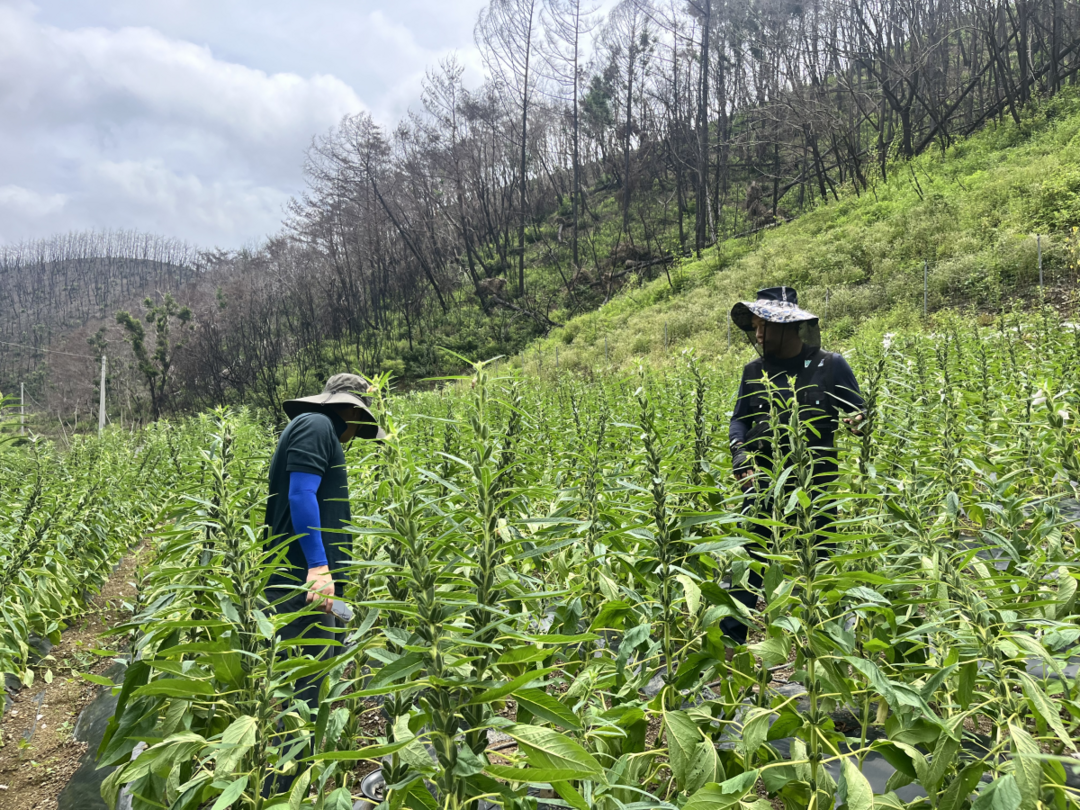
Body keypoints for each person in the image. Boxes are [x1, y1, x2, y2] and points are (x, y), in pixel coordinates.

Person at [262, 373, 384, 793]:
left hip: (312, 586)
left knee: (317, 685)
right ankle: (281, 793)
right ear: (351, 408)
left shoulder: (317, 429)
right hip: (301, 582)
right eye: (359, 426)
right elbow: (301, 494)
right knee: (305, 695)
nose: (353, 437)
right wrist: (318, 567)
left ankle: (299, 785)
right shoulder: (316, 425)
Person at [723, 287, 865, 646]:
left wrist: (860, 421)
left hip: (815, 486)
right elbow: (739, 420)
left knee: (820, 565)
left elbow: (860, 415)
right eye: (754, 326)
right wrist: (740, 454)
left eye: (763, 326)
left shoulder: (830, 365)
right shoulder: (753, 371)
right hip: (764, 481)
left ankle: (824, 645)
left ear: (788, 327)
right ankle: (728, 647)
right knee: (746, 562)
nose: (757, 334)